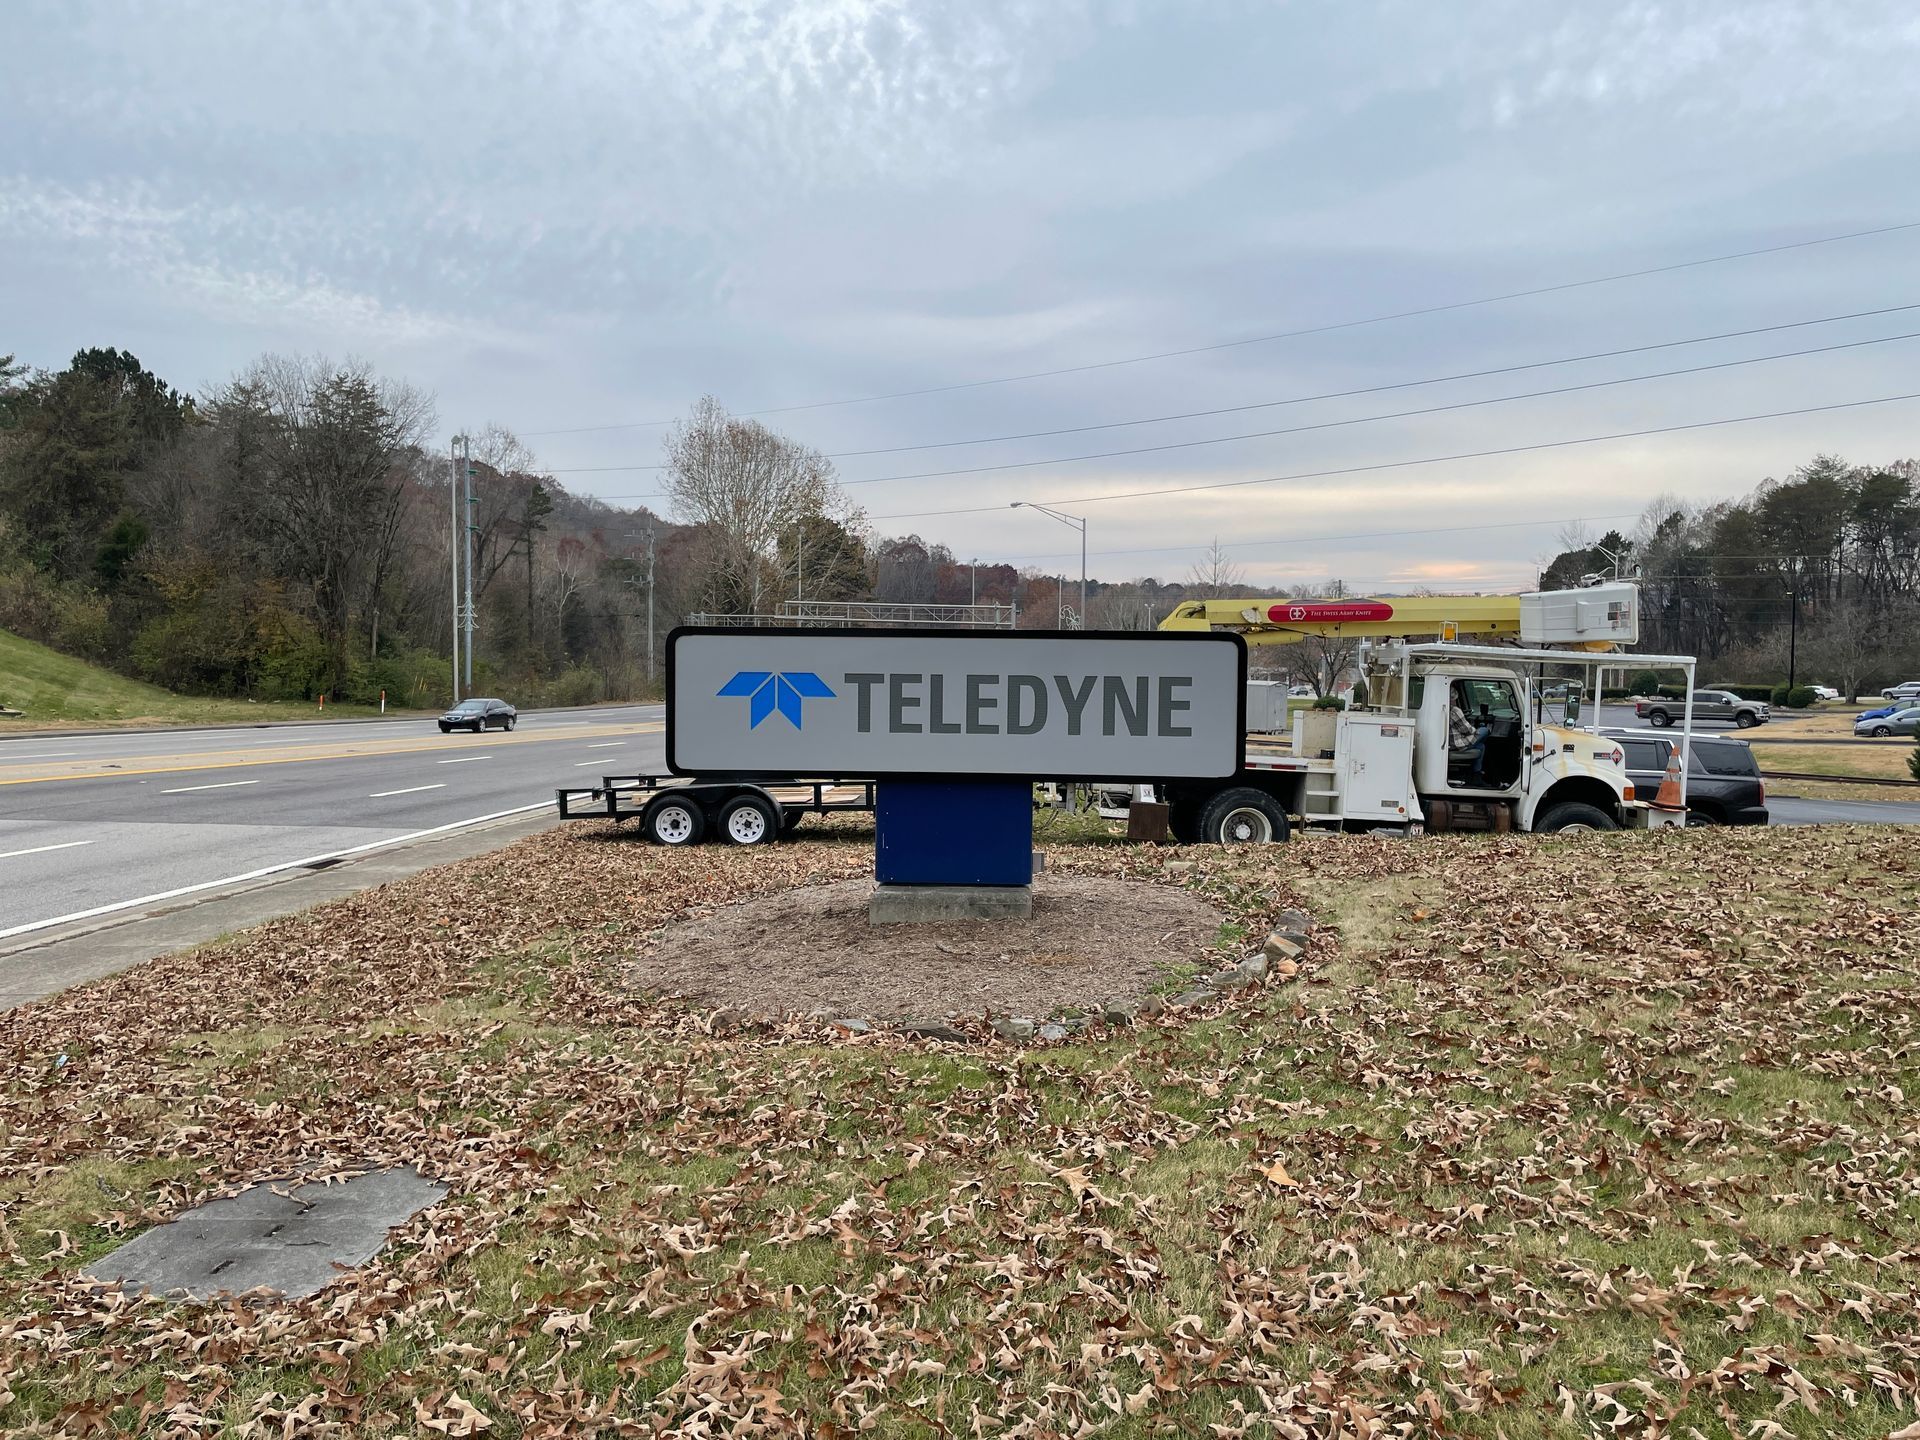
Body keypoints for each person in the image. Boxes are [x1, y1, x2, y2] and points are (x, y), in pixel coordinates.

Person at [1449, 687, 1489, 783]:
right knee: (1484, 730)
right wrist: (1477, 729)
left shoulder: (1442, 708)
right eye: (1455, 699)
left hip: (1449, 743)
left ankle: (1476, 775)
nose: (1455, 701)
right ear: (1452, 699)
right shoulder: (1455, 711)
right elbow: (1467, 730)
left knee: (1481, 746)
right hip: (1457, 744)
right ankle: (1476, 775)